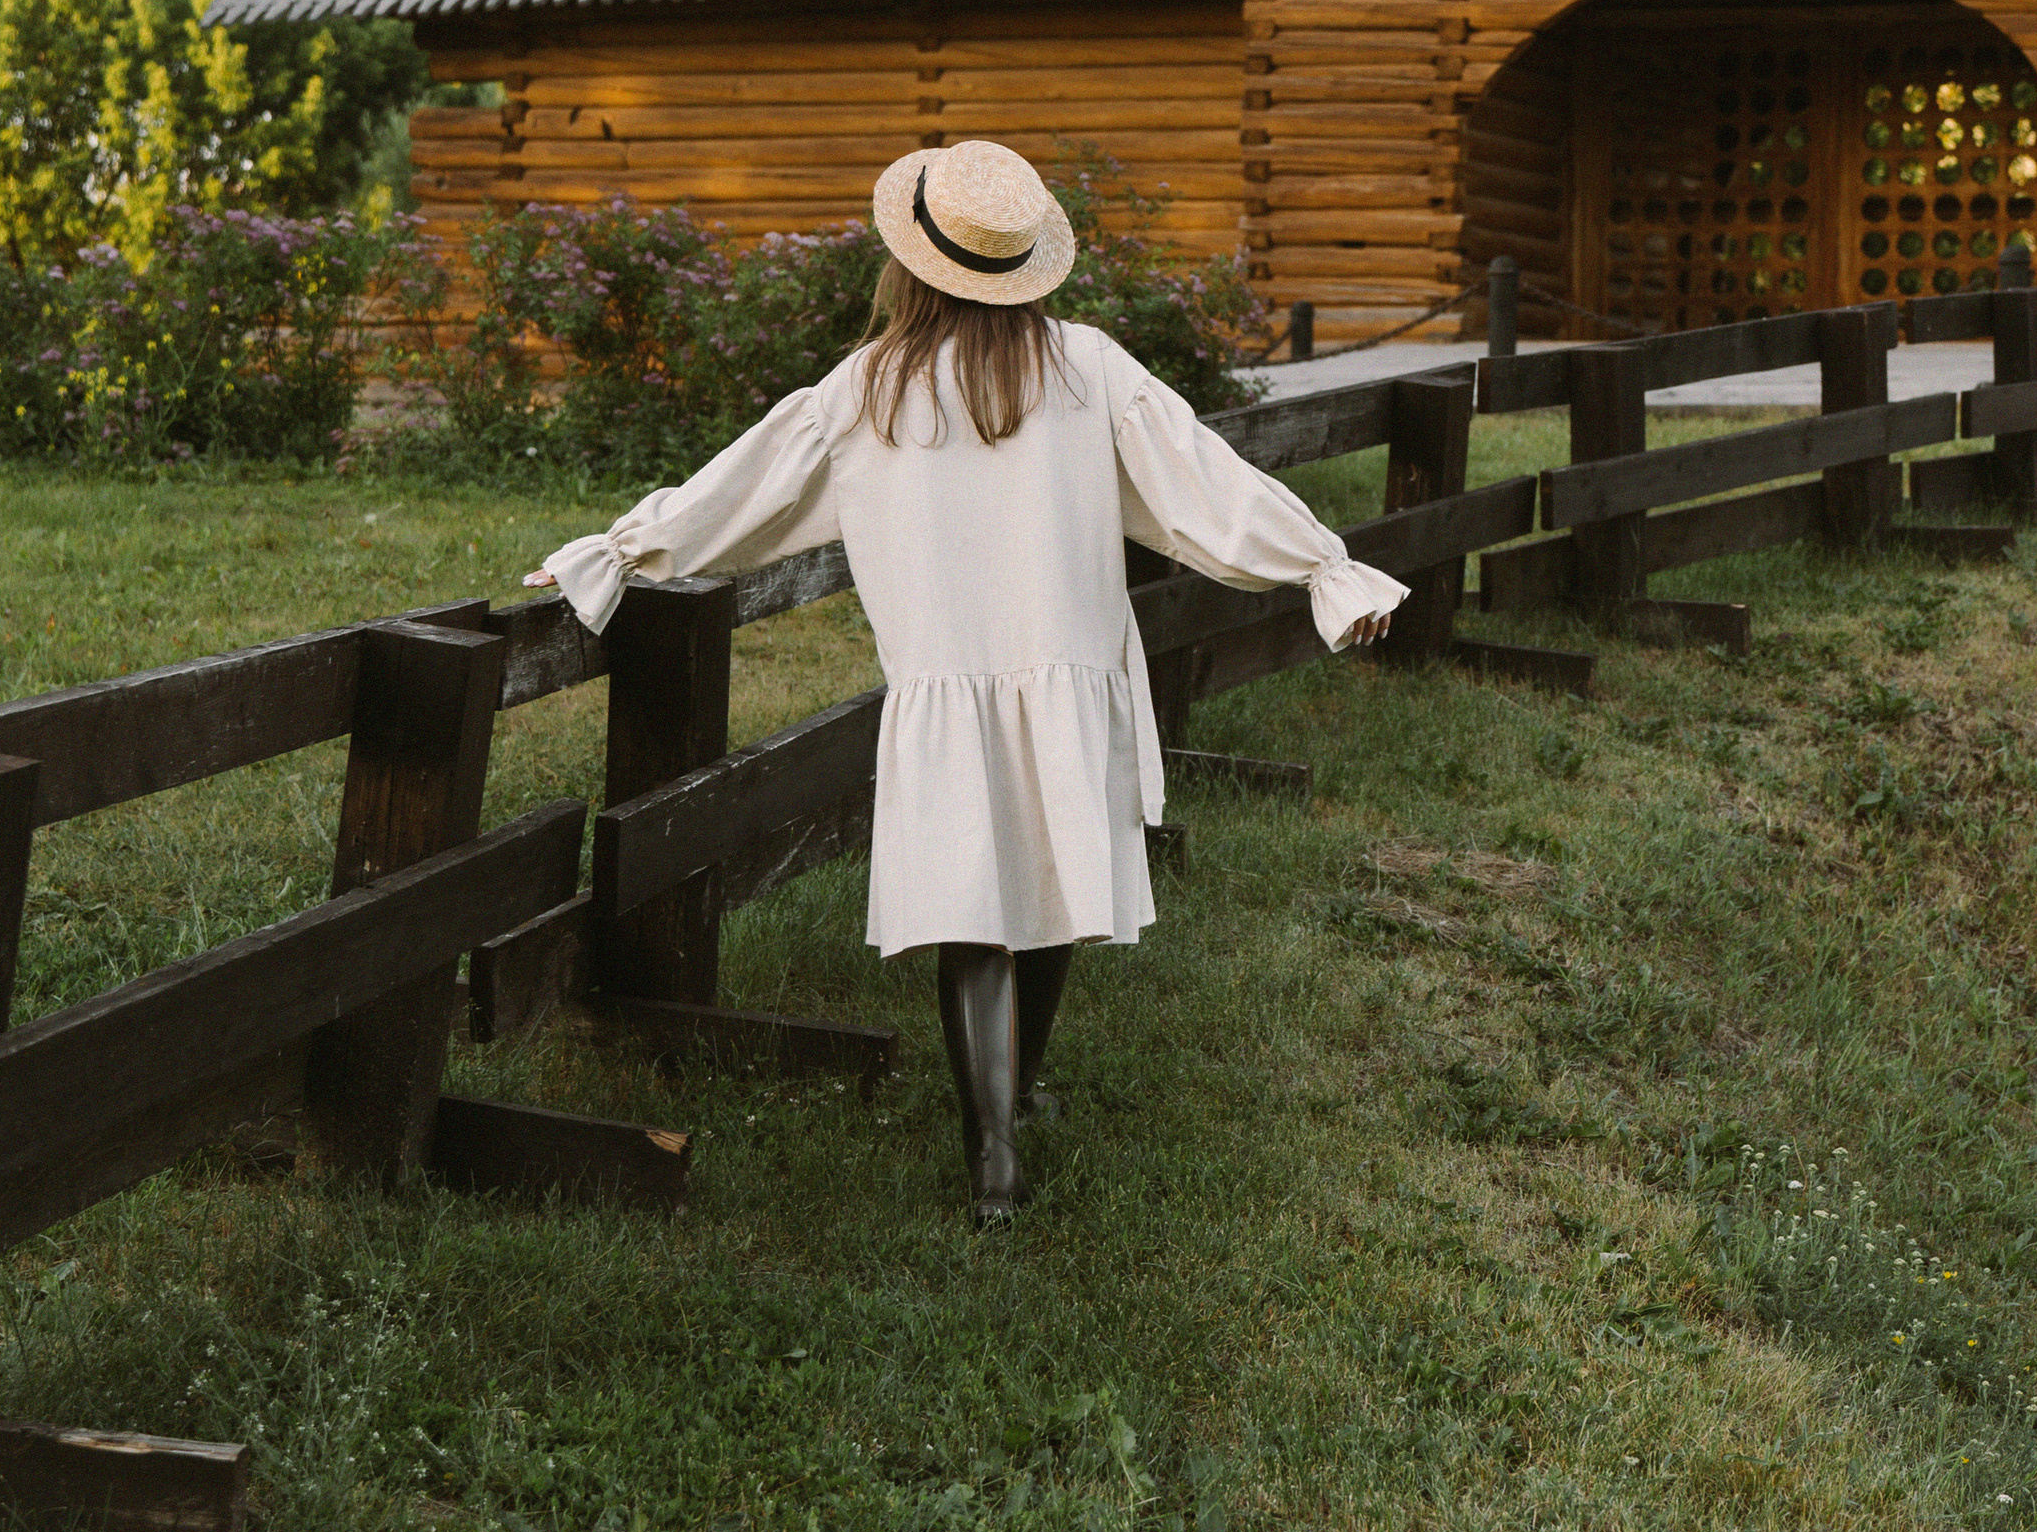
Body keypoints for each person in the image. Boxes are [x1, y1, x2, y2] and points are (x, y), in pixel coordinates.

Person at [532, 139, 1407, 1220]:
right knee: (1049, 890)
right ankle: (1019, 1093)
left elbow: (742, 490)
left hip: (946, 683)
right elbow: (1201, 487)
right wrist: (1320, 563)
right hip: (1071, 670)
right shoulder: (1087, 367)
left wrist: (622, 551)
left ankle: (993, 1151)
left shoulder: (870, 388)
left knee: (974, 915)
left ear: (913, 262)